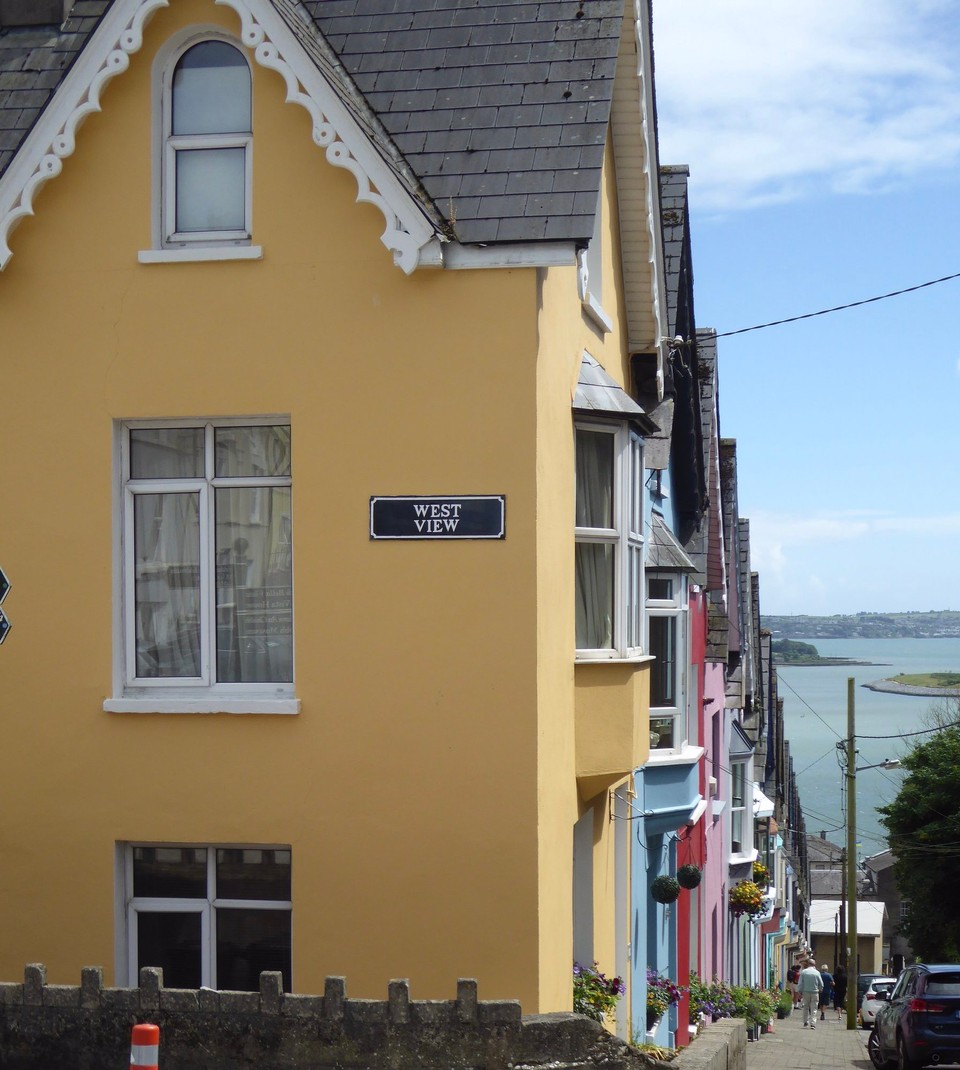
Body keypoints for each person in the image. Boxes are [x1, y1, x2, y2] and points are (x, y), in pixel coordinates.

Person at [798, 959, 824, 1028]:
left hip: (806, 992)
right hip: (815, 992)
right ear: (814, 964)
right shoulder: (817, 973)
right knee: (814, 1008)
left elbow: (800, 983)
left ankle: (805, 1021)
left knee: (806, 1007)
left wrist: (800, 991)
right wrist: (820, 989)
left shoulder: (804, 972)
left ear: (808, 964)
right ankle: (813, 1023)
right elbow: (821, 983)